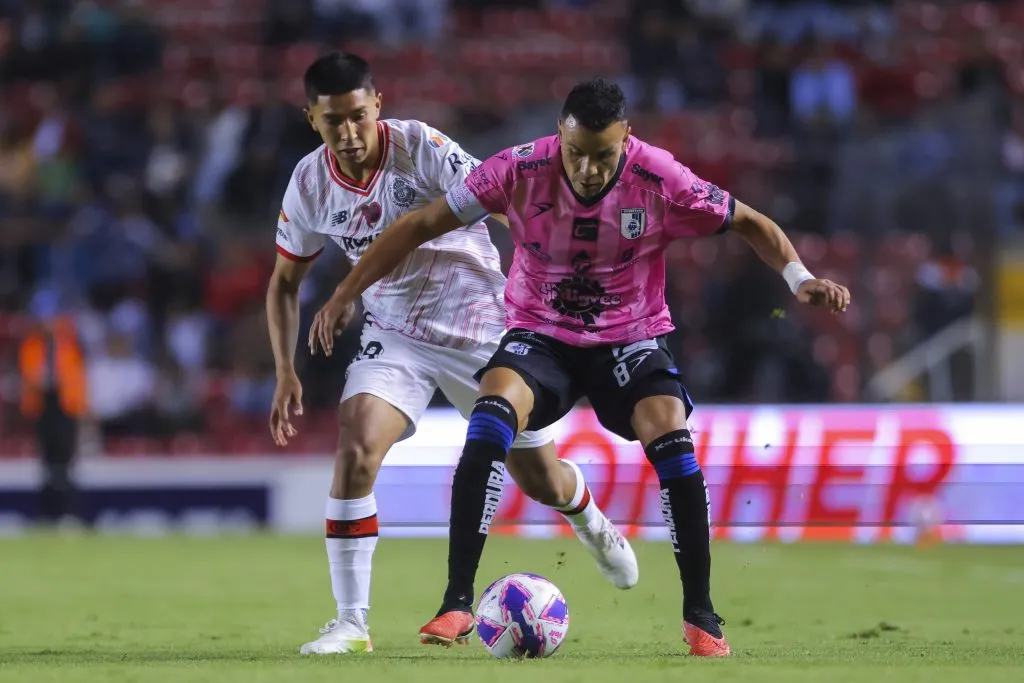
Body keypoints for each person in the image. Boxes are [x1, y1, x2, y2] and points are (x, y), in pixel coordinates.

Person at [309, 78, 851, 657]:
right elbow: (419, 224)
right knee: (490, 417)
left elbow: (749, 222)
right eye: (576, 153)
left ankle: (701, 617)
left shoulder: (661, 177)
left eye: (603, 155)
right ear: (559, 135)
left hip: (631, 338)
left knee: (672, 435)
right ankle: (457, 602)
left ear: (627, 139)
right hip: (541, 337)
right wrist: (346, 292)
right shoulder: (517, 168)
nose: (589, 169)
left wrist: (800, 278)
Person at [266, 55, 638, 656]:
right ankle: (351, 623)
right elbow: (284, 284)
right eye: (333, 121)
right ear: (311, 118)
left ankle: (587, 515)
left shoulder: (424, 149)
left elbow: (506, 201)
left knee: (541, 481)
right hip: (396, 336)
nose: (349, 133)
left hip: (481, 327)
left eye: (359, 117)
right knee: (356, 447)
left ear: (378, 105)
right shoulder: (309, 184)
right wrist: (285, 371)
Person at [18, 292, 88, 526]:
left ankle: (67, 514)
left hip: (65, 406)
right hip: (42, 406)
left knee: (65, 463)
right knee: (47, 464)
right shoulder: (31, 344)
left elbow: (75, 375)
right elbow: (28, 375)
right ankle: (47, 515)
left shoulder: (70, 341)